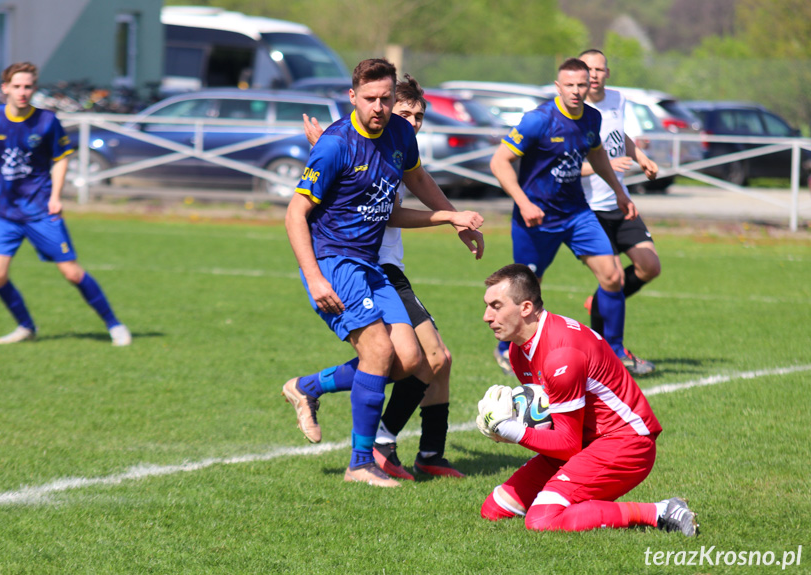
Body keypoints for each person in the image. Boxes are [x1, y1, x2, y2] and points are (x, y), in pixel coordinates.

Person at [282, 59, 483, 487]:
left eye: (386, 99)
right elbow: (295, 214)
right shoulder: (336, 144)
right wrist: (315, 278)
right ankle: (360, 462)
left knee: (410, 361)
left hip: (371, 263)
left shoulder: (400, 134)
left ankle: (308, 387)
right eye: (370, 99)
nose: (379, 107)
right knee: (378, 350)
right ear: (352, 97)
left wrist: (453, 216)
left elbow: (419, 177)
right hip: (335, 261)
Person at [476, 263, 698, 536]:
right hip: (585, 439)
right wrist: (512, 422)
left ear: (525, 308)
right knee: (494, 509)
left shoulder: (561, 354)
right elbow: (553, 421)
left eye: (496, 306)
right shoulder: (518, 351)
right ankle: (579, 499)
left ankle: (661, 511)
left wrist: (511, 430)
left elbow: (567, 444)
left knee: (542, 519)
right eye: (487, 306)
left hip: (625, 442)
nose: (487, 316)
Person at [0, 62, 131, 346]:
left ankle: (115, 325)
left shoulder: (47, 121)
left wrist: (55, 196)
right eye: (17, 86)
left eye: (28, 87)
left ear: (33, 89)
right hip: (6, 214)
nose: (22, 92)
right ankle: (26, 327)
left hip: (40, 211)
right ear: (5, 89)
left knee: (71, 272)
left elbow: (61, 157)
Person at [489, 57, 639, 377]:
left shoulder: (592, 118)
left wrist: (620, 193)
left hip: (576, 213)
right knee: (525, 290)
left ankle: (614, 351)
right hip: (536, 219)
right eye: (569, 85)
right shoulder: (537, 120)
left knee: (613, 276)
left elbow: (597, 154)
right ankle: (505, 348)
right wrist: (524, 202)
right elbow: (499, 162)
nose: (575, 91)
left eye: (581, 85)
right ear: (558, 86)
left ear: (590, 86)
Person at [578, 49, 661, 375]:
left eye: (600, 69)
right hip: (588, 209)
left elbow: (618, 135)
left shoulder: (617, 99)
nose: (594, 74)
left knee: (649, 266)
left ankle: (600, 302)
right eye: (588, 69)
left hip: (619, 201)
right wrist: (603, 166)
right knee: (610, 277)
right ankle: (615, 351)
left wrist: (639, 156)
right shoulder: (573, 111)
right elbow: (564, 163)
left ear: (607, 73)